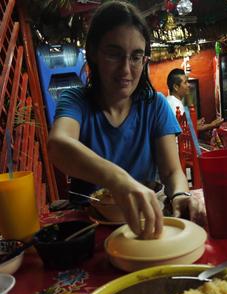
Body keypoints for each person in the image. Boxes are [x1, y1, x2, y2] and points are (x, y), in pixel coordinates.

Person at [48, 0, 204, 239]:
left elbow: (172, 172)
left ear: (144, 60)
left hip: (144, 226)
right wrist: (118, 180)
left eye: (135, 57)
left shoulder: (155, 105)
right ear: (93, 53)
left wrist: (181, 196)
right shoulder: (76, 100)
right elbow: (58, 144)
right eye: (114, 54)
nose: (126, 69)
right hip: (88, 231)